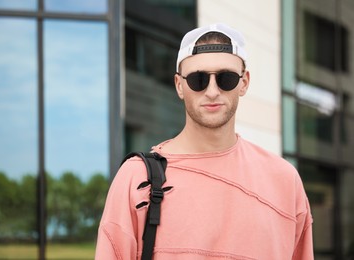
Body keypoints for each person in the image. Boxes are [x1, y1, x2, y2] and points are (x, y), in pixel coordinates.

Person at [95, 23, 314, 260]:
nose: (212, 91)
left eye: (226, 78)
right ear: (179, 85)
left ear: (244, 83)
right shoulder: (137, 178)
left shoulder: (284, 181)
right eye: (198, 79)